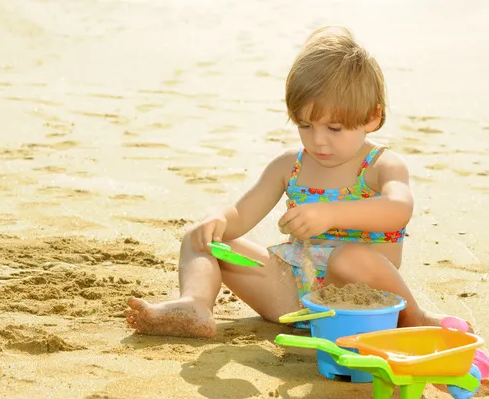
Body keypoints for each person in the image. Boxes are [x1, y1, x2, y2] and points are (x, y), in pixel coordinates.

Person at [125, 26, 470, 338]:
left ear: (372, 117)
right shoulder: (289, 166)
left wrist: (330, 214)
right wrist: (219, 219)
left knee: (346, 257)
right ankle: (196, 305)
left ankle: (415, 318)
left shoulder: (380, 165)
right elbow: (240, 215)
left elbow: (399, 209)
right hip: (291, 294)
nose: (318, 141)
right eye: (306, 125)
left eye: (334, 128)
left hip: (361, 302)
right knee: (202, 238)